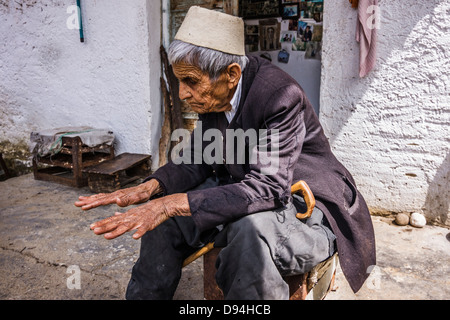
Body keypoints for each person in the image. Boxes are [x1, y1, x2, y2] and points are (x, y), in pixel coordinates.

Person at [75, 6, 375, 299]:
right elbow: (200, 158)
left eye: (191, 81)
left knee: (249, 231)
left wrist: (172, 204)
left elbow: (269, 188)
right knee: (160, 214)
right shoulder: (215, 96)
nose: (182, 93)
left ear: (231, 74)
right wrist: (152, 187)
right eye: (179, 80)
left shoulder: (280, 96)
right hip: (249, 184)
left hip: (305, 202)